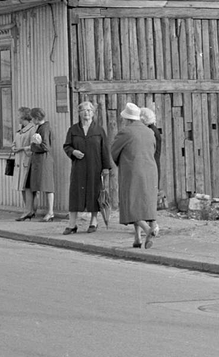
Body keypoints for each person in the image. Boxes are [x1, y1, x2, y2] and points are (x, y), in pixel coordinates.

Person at [112, 100, 158, 248]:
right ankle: (137, 238)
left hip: (132, 171)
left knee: (130, 203)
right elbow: (154, 149)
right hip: (150, 170)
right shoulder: (149, 132)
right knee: (143, 203)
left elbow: (114, 152)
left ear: (126, 118)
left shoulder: (125, 132)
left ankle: (146, 229)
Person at [62, 99, 112, 234]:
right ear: (79, 113)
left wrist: (106, 167)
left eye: (89, 110)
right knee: (75, 193)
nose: (86, 113)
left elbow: (105, 149)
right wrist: (73, 152)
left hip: (95, 167)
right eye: (83, 110)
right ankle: (72, 224)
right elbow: (66, 146)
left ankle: (93, 222)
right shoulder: (73, 130)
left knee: (94, 193)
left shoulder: (99, 130)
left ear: (93, 113)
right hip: (78, 167)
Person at [26, 107, 55, 222]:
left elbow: (45, 146)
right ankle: (36, 210)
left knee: (47, 186)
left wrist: (32, 146)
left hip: (44, 160)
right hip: (41, 160)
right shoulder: (43, 127)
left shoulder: (44, 128)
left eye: (32, 118)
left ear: (37, 118)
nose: (32, 120)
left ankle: (50, 212)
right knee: (39, 186)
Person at [139, 105, 163, 239]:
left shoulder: (151, 132)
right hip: (153, 164)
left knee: (148, 195)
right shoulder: (153, 130)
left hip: (150, 166)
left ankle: (153, 225)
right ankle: (151, 224)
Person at [12, 108, 37, 220]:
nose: (17, 117)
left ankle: (29, 210)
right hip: (19, 162)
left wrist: (20, 148)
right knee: (22, 187)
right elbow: (14, 142)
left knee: (27, 187)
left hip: (27, 162)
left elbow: (34, 146)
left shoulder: (32, 129)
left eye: (18, 115)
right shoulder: (20, 130)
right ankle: (28, 209)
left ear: (23, 117)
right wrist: (13, 147)